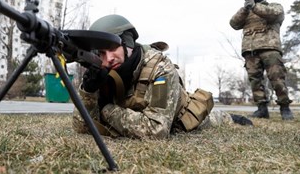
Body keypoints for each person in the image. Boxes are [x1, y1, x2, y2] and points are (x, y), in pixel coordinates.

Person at [73, 14, 252, 139]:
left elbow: (156, 130)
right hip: (136, 113)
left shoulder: (160, 68)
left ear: (127, 42)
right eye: (101, 53)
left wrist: (105, 109)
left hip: (179, 117)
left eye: (112, 49)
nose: (108, 59)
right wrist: (88, 92)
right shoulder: (102, 70)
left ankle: (233, 117)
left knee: (213, 118)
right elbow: (80, 126)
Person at [230, 0, 293, 120]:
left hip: (270, 48)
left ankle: (284, 107)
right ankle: (262, 109)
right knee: (255, 81)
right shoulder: (246, 12)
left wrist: (255, 7)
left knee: (277, 79)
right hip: (250, 50)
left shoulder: (273, 6)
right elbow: (234, 23)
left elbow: (275, 14)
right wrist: (245, 8)